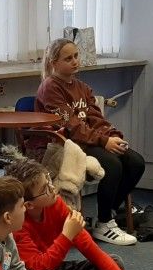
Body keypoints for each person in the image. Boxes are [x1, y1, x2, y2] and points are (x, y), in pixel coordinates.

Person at [35, 38, 143, 247]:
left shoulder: (82, 87)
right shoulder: (50, 87)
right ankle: (104, 224)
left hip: (88, 142)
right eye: (68, 58)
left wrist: (113, 136)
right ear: (54, 63)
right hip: (65, 145)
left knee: (136, 162)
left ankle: (110, 212)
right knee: (112, 164)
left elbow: (95, 118)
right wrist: (104, 141)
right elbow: (72, 126)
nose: (75, 61)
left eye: (76, 56)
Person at [6, 159, 143, 270]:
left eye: (48, 179)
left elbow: (89, 247)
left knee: (115, 262)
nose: (52, 188)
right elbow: (39, 268)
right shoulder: (17, 224)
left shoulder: (55, 204)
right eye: (44, 189)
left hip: (55, 267)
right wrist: (67, 236)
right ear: (29, 205)